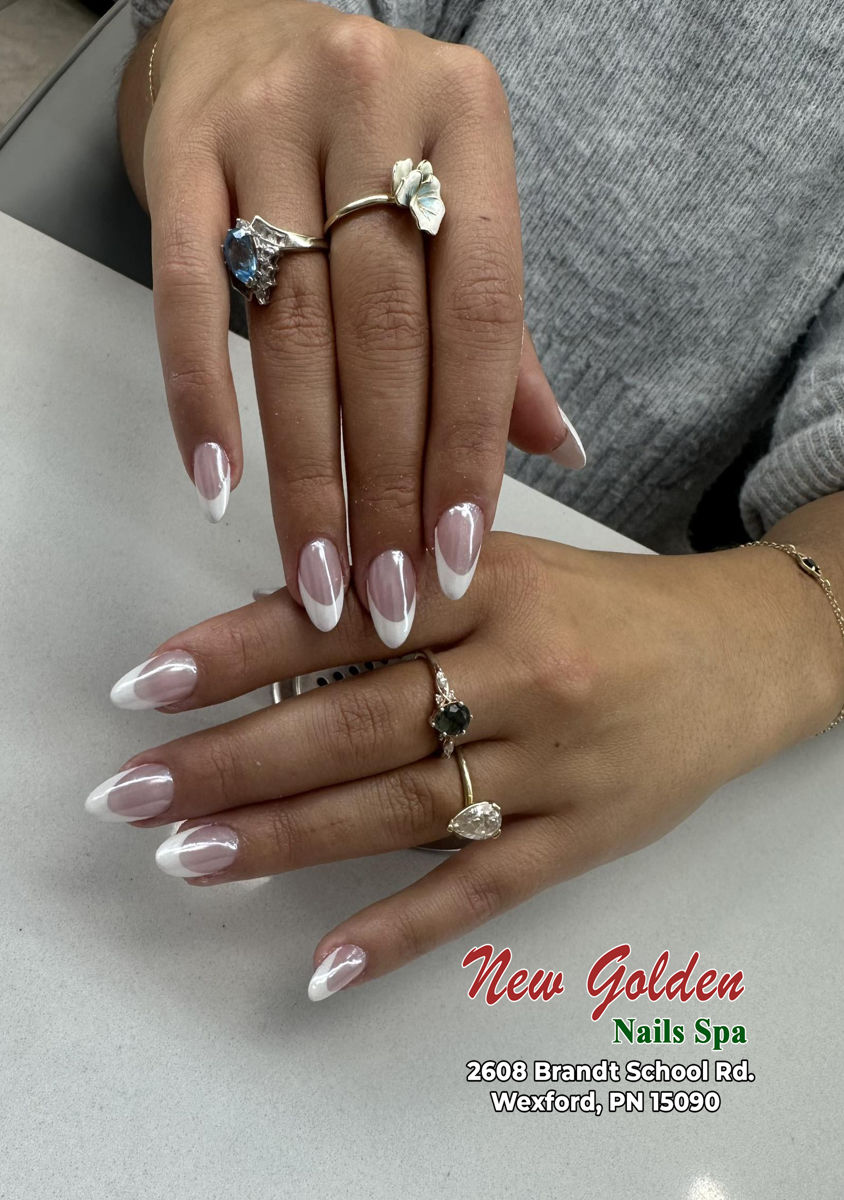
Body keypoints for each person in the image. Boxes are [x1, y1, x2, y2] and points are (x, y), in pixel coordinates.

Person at [92, 0, 844, 1000]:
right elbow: (189, 79)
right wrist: (212, 47)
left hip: (592, 684)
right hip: (122, 500)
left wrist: (777, 636)